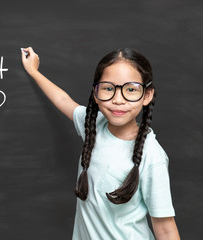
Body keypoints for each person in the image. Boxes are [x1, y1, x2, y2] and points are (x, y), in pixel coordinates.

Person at [21, 47, 180, 240]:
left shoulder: (152, 156)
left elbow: (165, 228)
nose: (118, 100)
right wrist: (34, 71)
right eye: (108, 88)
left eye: (131, 90)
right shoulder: (93, 125)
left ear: (146, 95)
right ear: (96, 93)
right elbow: (63, 100)